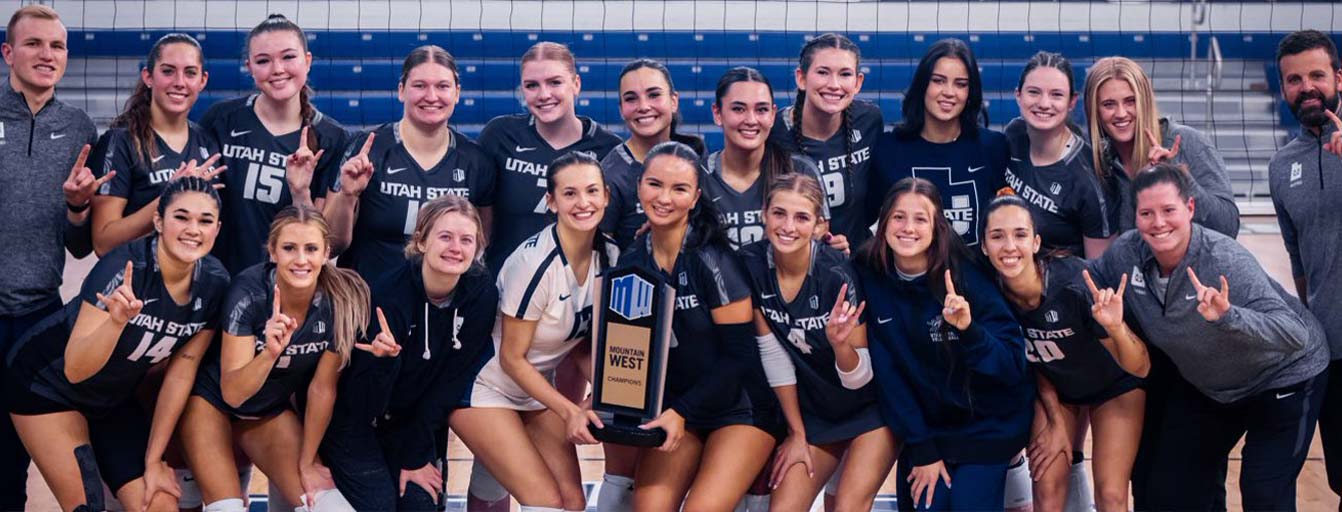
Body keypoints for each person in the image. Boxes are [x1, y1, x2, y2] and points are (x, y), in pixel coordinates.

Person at [1088, 163, 1329, 510]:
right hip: (1218, 388)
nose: (1158, 223)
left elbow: (1295, 334)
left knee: (1263, 493)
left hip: (1285, 378)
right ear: (1135, 216)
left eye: (1169, 210)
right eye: (1147, 213)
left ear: (1189, 209)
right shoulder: (1127, 254)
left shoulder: (1223, 260)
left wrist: (1230, 317)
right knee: (1171, 488)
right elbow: (1085, 277)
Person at [5, 177, 227, 512]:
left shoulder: (214, 284)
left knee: (160, 503)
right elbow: (75, 370)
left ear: (217, 229)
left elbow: (181, 374)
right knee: (87, 507)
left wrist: (154, 460)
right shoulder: (123, 268)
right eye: (181, 217)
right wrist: (115, 323)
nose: (193, 229)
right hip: (46, 386)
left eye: (205, 220)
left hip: (113, 397)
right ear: (158, 221)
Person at [617, 141, 782, 510]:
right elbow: (630, 348)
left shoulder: (712, 259)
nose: (664, 198)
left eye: (679, 189)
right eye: (655, 184)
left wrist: (681, 412)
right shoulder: (633, 259)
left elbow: (739, 357)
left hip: (741, 408)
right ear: (639, 186)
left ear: (695, 197)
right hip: (678, 409)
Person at [451, 152, 619, 512]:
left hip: (532, 387)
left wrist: (607, 393)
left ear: (606, 196)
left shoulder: (611, 257)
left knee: (572, 503)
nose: (583, 202)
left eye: (592, 191)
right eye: (570, 193)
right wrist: (569, 410)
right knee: (545, 501)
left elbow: (582, 343)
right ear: (551, 201)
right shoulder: (533, 264)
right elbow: (512, 359)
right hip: (484, 385)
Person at [856, 177, 1032, 510]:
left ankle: (1011, 472)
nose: (908, 228)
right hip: (928, 427)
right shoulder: (870, 275)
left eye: (920, 218)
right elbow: (889, 376)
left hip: (988, 425)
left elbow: (1011, 365)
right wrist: (922, 448)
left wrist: (969, 330)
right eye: (898, 217)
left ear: (938, 227)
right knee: (929, 503)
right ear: (883, 223)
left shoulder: (967, 276)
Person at [178, 206, 369, 511]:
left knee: (328, 506)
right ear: (272, 251)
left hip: (268, 410)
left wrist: (307, 462)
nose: (301, 260)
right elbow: (234, 393)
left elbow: (322, 389)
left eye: (311, 249)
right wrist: (269, 353)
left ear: (326, 253)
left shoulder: (340, 300)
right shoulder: (249, 292)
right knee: (226, 508)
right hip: (212, 403)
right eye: (290, 248)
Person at [321, 196, 498, 510]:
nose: (456, 247)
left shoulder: (482, 293)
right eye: (445, 237)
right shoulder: (388, 297)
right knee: (379, 505)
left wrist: (414, 455)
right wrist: (383, 362)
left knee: (420, 504)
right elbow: (361, 400)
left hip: (415, 421)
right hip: (358, 422)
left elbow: (451, 382)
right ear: (421, 241)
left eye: (466, 239)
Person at [981, 195, 1148, 512]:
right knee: (1046, 488)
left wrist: (1115, 329)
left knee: (1111, 495)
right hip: (1058, 389)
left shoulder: (1073, 284)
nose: (1009, 246)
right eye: (997, 236)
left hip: (1114, 385)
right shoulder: (990, 294)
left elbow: (1140, 367)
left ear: (1035, 242)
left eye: (1019, 234)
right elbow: (1036, 362)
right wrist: (1057, 422)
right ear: (984, 246)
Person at [740, 173, 896, 511]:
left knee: (848, 505)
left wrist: (840, 346)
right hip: (814, 415)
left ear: (819, 225)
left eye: (801, 217)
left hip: (870, 410)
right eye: (779, 213)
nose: (788, 226)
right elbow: (774, 357)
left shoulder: (837, 274)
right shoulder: (750, 265)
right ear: (763, 214)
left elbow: (860, 377)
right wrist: (796, 433)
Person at [0, 5, 100, 508]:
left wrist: (79, 207)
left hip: (37, 312)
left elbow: (80, 244)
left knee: (14, 454)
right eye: (34, 43)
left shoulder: (80, 127)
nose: (46, 54)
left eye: (56, 46)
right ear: (8, 52)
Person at [324, 45, 496, 286]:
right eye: (420, 86)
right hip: (367, 300)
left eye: (442, 86)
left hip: (438, 306)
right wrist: (347, 195)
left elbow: (479, 245)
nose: (432, 96)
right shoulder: (366, 148)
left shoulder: (476, 162)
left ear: (457, 93)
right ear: (401, 90)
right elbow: (329, 244)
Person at [201, 14, 349, 274]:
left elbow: (328, 242)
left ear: (308, 61)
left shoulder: (331, 137)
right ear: (249, 67)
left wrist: (300, 192)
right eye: (263, 61)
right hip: (219, 278)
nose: (277, 69)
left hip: (291, 283)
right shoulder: (221, 119)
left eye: (288, 57)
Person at [1271, 29, 1342, 500]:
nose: (1307, 87)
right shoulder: (1282, 166)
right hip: (1332, 351)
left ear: (1339, 77)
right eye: (1294, 79)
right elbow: (1299, 263)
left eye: (1317, 75)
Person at [480, 41, 621, 272]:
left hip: (578, 292)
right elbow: (479, 214)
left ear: (576, 84)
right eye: (532, 85)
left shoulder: (608, 148)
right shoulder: (499, 136)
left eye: (555, 82)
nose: (544, 94)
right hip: (506, 288)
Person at [869, 39, 1009, 248]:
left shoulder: (993, 148)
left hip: (974, 277)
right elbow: (873, 230)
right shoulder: (887, 150)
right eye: (938, 80)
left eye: (960, 84)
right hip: (907, 278)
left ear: (971, 92)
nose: (949, 92)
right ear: (922, 84)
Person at [91, 33, 221, 256]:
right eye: (168, 71)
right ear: (148, 77)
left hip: (193, 282)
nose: (179, 82)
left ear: (203, 81)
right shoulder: (121, 141)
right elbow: (103, 242)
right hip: (137, 281)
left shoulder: (207, 141)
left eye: (190, 73)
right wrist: (170, 197)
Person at [1082, 56, 1239, 238]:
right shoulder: (1095, 162)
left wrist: (1180, 179)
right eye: (1109, 104)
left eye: (1130, 101)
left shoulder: (1188, 142)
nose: (1121, 113)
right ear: (1094, 109)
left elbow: (1228, 226)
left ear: (1145, 101)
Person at [771, 33, 883, 250]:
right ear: (801, 78)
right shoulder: (773, 131)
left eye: (845, 74)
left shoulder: (868, 120)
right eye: (823, 72)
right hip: (793, 261)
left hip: (856, 263)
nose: (834, 84)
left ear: (858, 82)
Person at [702, 66, 830, 250]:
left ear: (772, 114)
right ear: (717, 113)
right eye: (738, 109)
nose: (751, 120)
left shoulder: (800, 171)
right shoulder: (698, 175)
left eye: (761, 109)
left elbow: (819, 240)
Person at [1002, 52, 1115, 258]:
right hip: (1008, 269)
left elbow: (1099, 271)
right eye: (1034, 92)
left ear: (1072, 102)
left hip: (1060, 286)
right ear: (1018, 95)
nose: (1044, 103)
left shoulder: (1089, 180)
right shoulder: (1014, 134)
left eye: (1056, 95)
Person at [600, 58, 706, 251]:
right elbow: (600, 255)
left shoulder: (696, 157)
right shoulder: (610, 174)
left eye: (654, 95)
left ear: (673, 101)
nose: (643, 106)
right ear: (621, 109)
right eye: (631, 98)